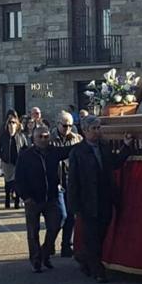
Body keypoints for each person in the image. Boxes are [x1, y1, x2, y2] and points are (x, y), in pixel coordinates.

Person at [67, 115, 133, 283]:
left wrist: (126, 146)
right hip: (88, 200)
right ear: (85, 131)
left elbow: (115, 163)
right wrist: (74, 206)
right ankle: (98, 271)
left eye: (98, 128)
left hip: (105, 198)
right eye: (93, 129)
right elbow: (73, 180)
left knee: (102, 233)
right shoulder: (77, 151)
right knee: (92, 236)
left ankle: (85, 258)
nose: (97, 132)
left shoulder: (104, 146)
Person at [15, 124, 75, 273]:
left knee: (59, 220)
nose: (43, 139)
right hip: (33, 199)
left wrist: (83, 140)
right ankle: (36, 260)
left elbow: (69, 150)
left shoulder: (53, 152)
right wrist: (25, 197)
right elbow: (19, 178)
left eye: (46, 136)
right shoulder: (25, 155)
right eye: (40, 137)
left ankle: (45, 253)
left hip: (52, 197)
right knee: (33, 231)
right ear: (33, 139)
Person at [50, 110, 82, 258]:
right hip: (55, 183)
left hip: (71, 181)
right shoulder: (50, 139)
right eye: (64, 125)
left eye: (70, 125)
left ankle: (66, 245)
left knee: (71, 215)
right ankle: (49, 244)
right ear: (58, 124)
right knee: (60, 216)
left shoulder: (77, 139)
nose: (68, 128)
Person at [0, 116, 28, 209]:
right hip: (7, 163)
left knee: (16, 182)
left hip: (17, 163)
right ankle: (7, 199)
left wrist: (23, 158)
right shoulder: (4, 136)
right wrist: (2, 157)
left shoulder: (21, 136)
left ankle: (17, 202)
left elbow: (26, 148)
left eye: (13, 123)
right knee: (8, 183)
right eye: (10, 123)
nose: (11, 124)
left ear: (17, 125)